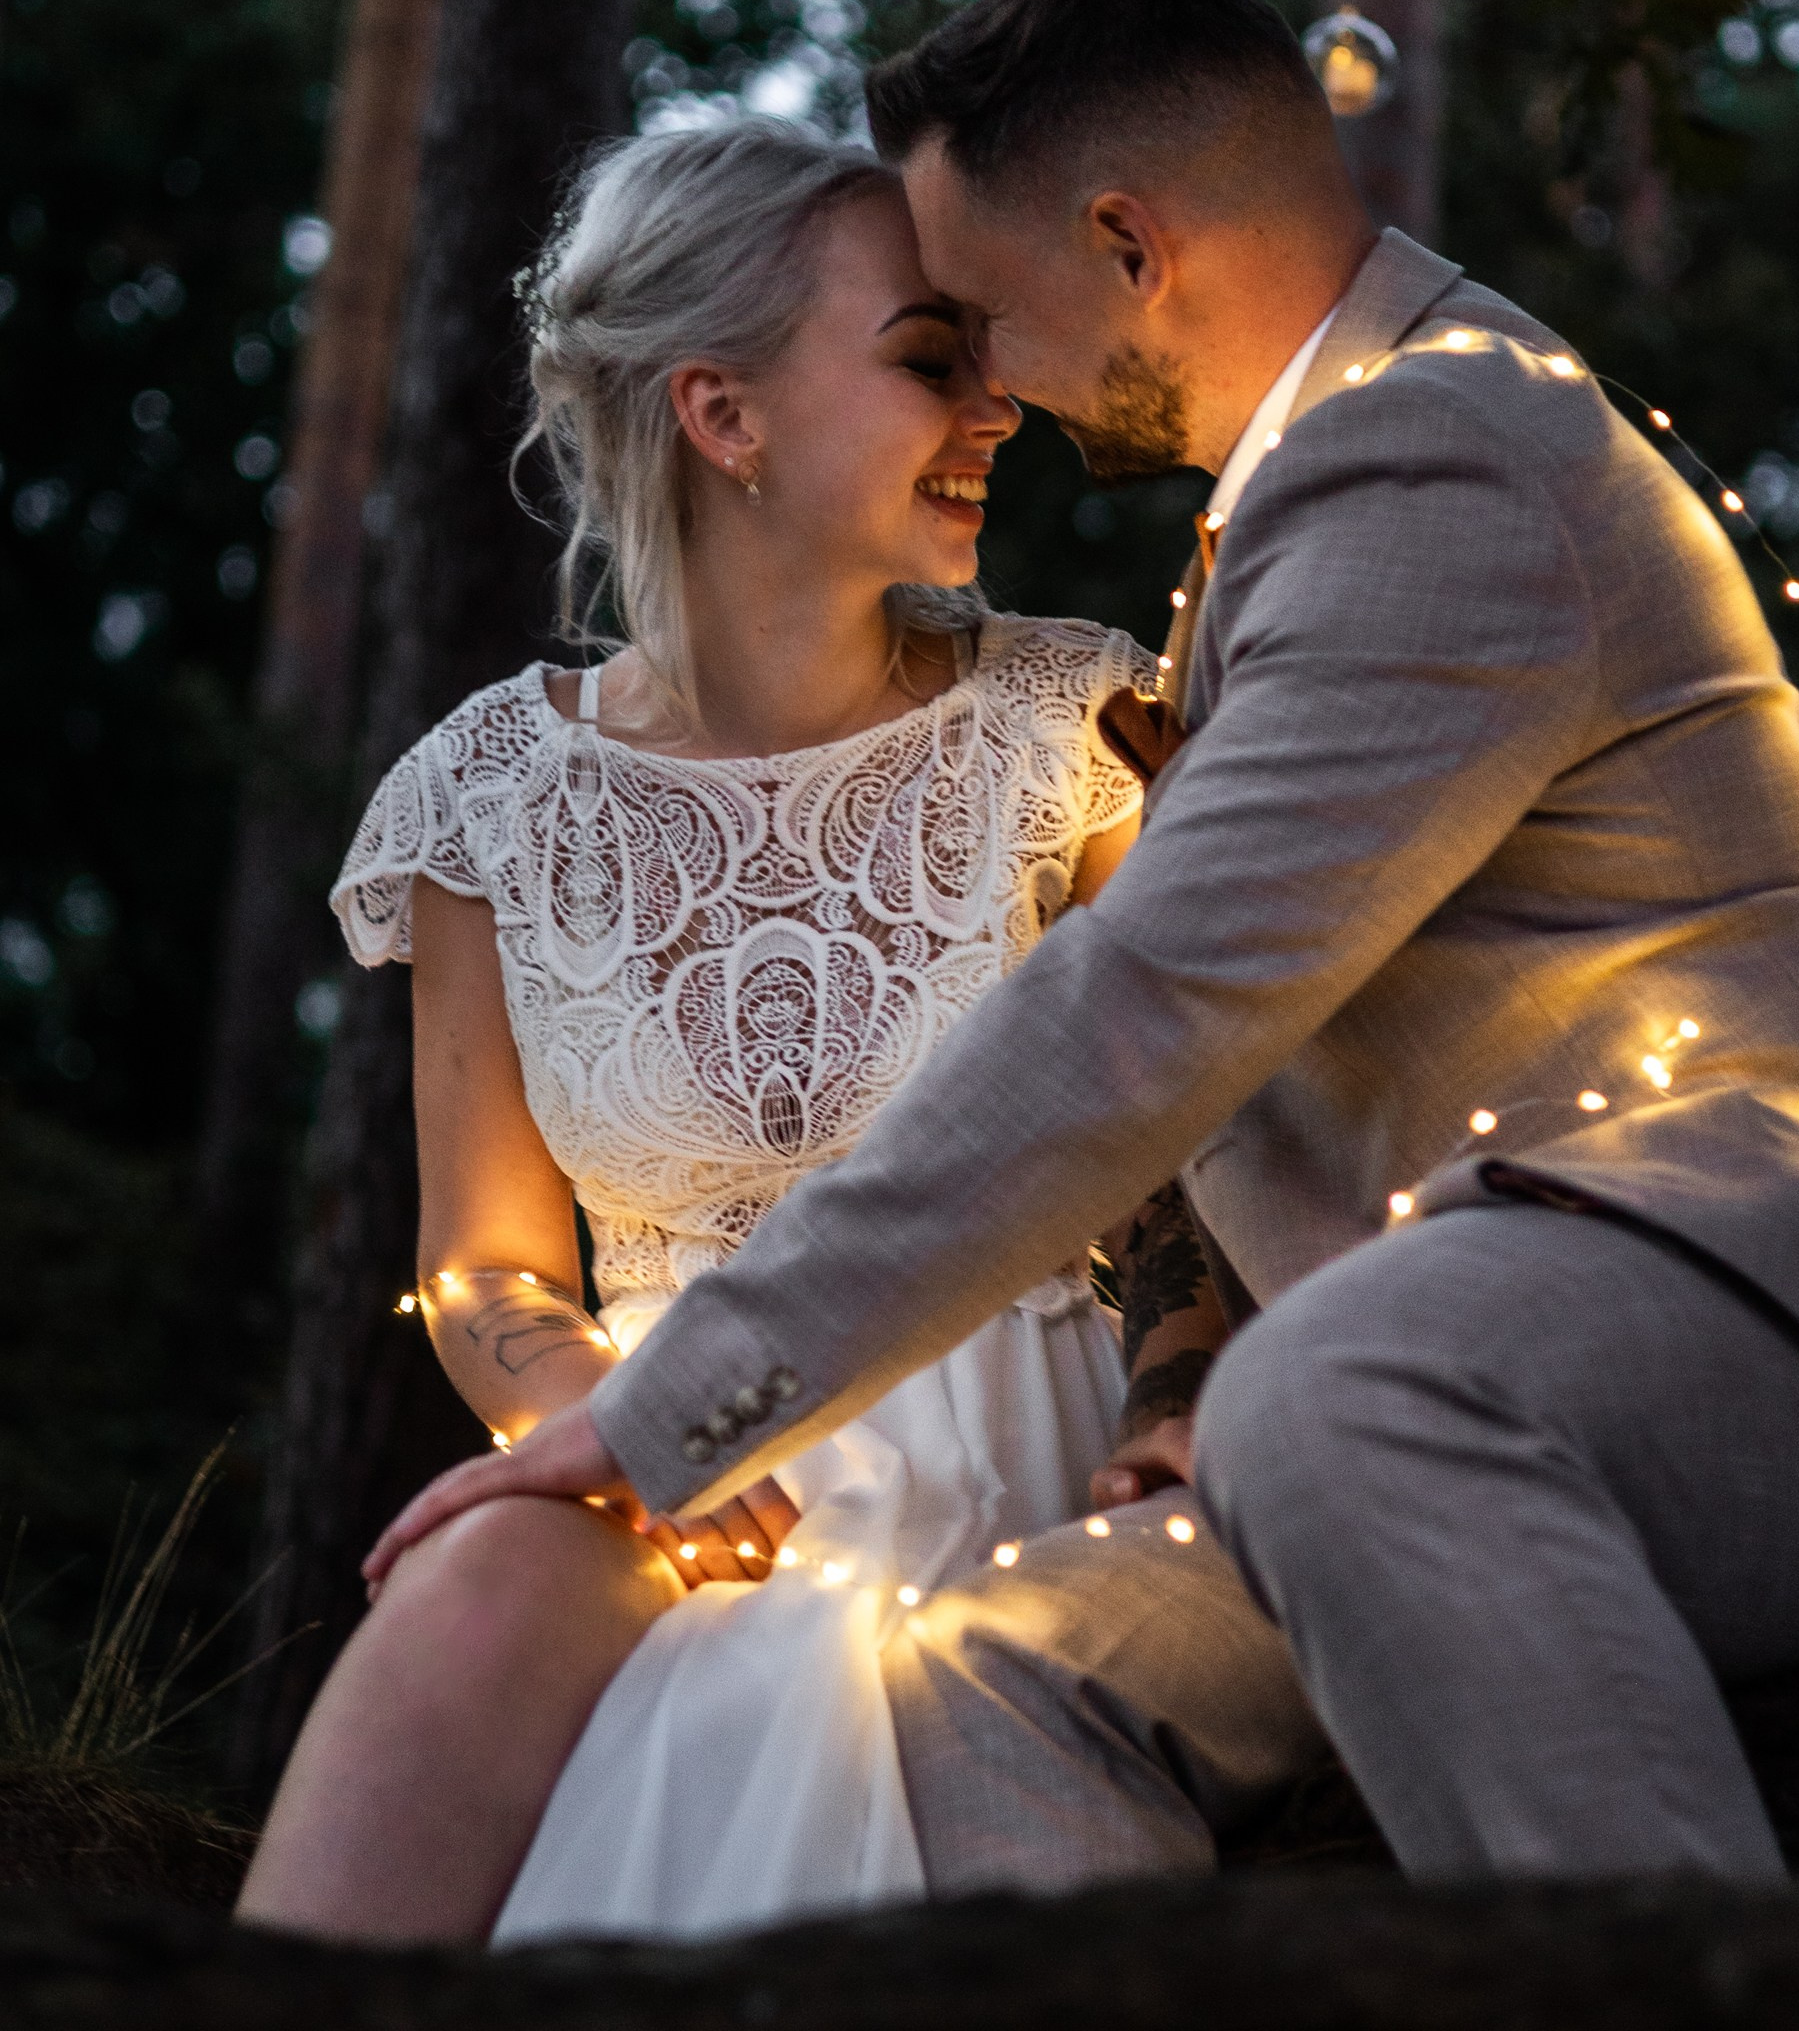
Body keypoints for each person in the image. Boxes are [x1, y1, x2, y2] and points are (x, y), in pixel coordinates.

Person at [369, 0, 1799, 1891]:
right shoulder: (1310, 485)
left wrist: (676, 1414)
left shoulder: (1437, 455)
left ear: (1129, 246)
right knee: (989, 1675)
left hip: (1785, 1319)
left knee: (1352, 1390)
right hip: (1446, 1345)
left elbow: (1146, 1016)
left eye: (981, 306)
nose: (999, 385)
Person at [236, 117, 1212, 1943]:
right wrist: (628, 1419)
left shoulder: (1074, 732)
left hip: (1015, 1419)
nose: (994, 405)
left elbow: (1181, 1179)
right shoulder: (494, 798)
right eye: (930, 357)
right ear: (724, 415)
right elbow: (486, 1272)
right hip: (659, 1436)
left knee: (791, 1699)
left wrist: (1173, 1424)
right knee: (465, 1591)